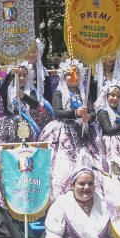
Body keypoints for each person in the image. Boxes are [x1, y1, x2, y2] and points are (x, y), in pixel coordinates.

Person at [42, 57, 104, 200]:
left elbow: (93, 112)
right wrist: (74, 113)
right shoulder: (59, 93)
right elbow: (57, 111)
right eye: (69, 74)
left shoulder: (84, 92)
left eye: (76, 73)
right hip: (64, 132)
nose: (72, 76)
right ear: (63, 76)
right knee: (64, 164)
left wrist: (89, 117)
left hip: (85, 132)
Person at [0, 62, 54, 159]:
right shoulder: (7, 91)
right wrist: (11, 74)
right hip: (8, 125)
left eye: (24, 75)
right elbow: (2, 89)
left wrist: (24, 97)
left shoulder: (31, 91)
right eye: (19, 75)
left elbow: (36, 104)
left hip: (26, 128)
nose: (22, 78)